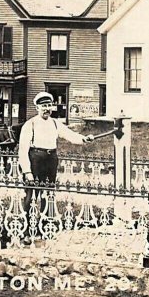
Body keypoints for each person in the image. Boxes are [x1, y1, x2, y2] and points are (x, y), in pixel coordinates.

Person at [17, 92, 95, 243]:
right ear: (37, 107)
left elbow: (70, 135)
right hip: (35, 159)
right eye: (43, 106)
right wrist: (27, 171)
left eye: (48, 106)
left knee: (48, 195)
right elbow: (23, 150)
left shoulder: (54, 123)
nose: (46, 109)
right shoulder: (30, 124)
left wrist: (84, 139)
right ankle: (26, 231)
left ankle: (44, 228)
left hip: (51, 159)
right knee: (30, 196)